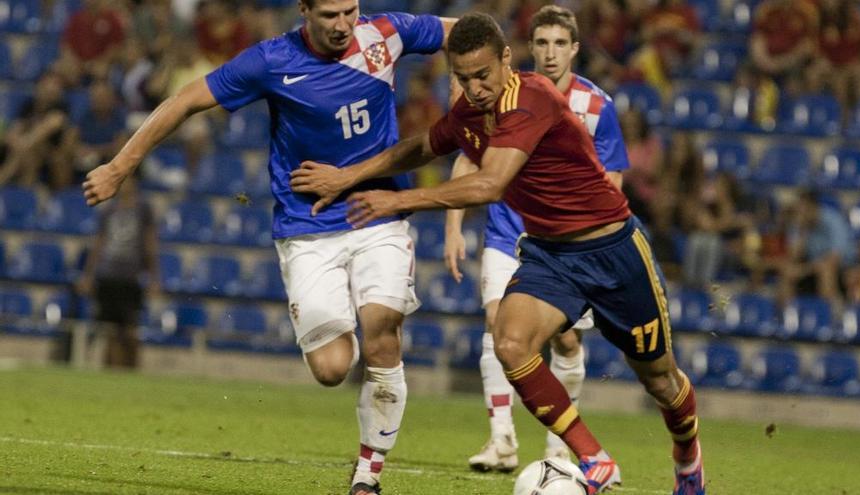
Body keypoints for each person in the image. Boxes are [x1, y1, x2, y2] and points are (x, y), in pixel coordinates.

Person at [291, 13, 705, 495]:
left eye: (483, 75)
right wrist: (349, 176)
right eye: (463, 78)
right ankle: (594, 460)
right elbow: (422, 146)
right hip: (551, 255)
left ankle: (688, 456)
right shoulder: (470, 111)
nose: (475, 88)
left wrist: (397, 199)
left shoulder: (532, 99)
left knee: (660, 381)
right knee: (510, 343)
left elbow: (489, 184)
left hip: (612, 249)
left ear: (507, 58)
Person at [81, 1, 455, 493]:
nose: (343, 24)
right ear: (304, 11)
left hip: (377, 212)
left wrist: (486, 83)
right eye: (329, 15)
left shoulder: (387, 32)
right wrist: (120, 165)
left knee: (381, 331)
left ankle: (368, 475)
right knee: (332, 368)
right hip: (306, 226)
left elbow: (465, 33)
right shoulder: (270, 61)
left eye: (350, 11)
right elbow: (184, 101)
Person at [441, 5, 629, 473]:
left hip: (565, 243)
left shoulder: (596, 106)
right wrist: (453, 226)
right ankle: (501, 439)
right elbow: (467, 158)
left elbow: (613, 182)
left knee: (565, 343)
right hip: (509, 232)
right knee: (496, 324)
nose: (549, 53)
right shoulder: (506, 94)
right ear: (527, 49)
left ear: (575, 49)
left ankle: (558, 444)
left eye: (559, 43)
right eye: (541, 43)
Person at [76, 173, 161, 368]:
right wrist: (88, 275)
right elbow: (98, 244)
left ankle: (131, 371)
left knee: (131, 331)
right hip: (108, 276)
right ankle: (110, 373)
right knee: (109, 331)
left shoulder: (143, 209)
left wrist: (154, 278)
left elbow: (150, 244)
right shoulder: (108, 210)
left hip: (131, 278)